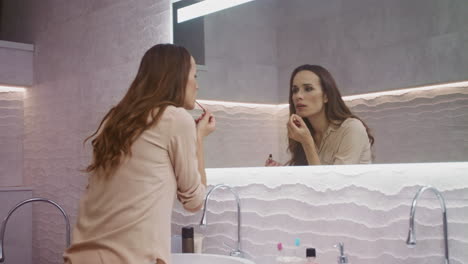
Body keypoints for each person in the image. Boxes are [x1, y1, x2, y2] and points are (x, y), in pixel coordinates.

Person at [63, 44, 215, 264]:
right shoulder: (176, 118)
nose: (197, 85)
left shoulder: (116, 120)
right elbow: (194, 201)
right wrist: (198, 139)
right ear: (178, 77)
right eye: (195, 75)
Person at [266, 64, 374, 166]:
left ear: (326, 96)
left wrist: (307, 143)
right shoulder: (306, 132)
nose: (298, 96)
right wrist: (282, 173)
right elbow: (308, 179)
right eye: (295, 90)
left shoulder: (352, 128)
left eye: (308, 89)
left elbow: (333, 184)